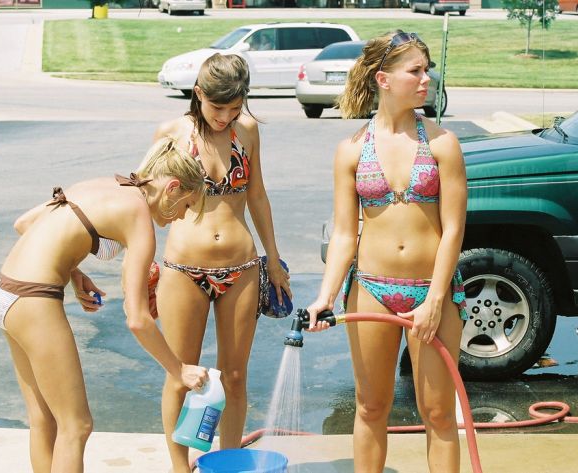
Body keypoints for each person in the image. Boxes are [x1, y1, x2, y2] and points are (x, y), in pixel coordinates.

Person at [0, 137, 210, 473]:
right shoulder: (139, 218)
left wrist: (74, 274)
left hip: (6, 293)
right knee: (76, 426)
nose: (182, 217)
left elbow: (24, 223)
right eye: (188, 205)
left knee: (44, 420)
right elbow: (137, 319)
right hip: (33, 300)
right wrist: (178, 370)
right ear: (173, 188)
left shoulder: (104, 184)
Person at [306, 32, 468, 473]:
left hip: (431, 291)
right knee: (371, 407)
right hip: (372, 288)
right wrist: (325, 296)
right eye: (415, 71)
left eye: (426, 69)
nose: (425, 78)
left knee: (437, 413)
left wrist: (436, 299)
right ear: (384, 79)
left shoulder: (442, 144)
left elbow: (454, 229)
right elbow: (344, 234)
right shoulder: (351, 150)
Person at [153, 53, 291, 472]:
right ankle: (180, 468)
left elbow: (257, 195)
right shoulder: (171, 132)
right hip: (182, 269)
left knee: (234, 376)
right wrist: (141, 257)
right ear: (198, 93)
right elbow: (148, 197)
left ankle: (230, 464)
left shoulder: (246, 132)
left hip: (242, 266)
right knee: (181, 373)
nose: (226, 116)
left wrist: (275, 258)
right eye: (218, 107)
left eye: (235, 107)